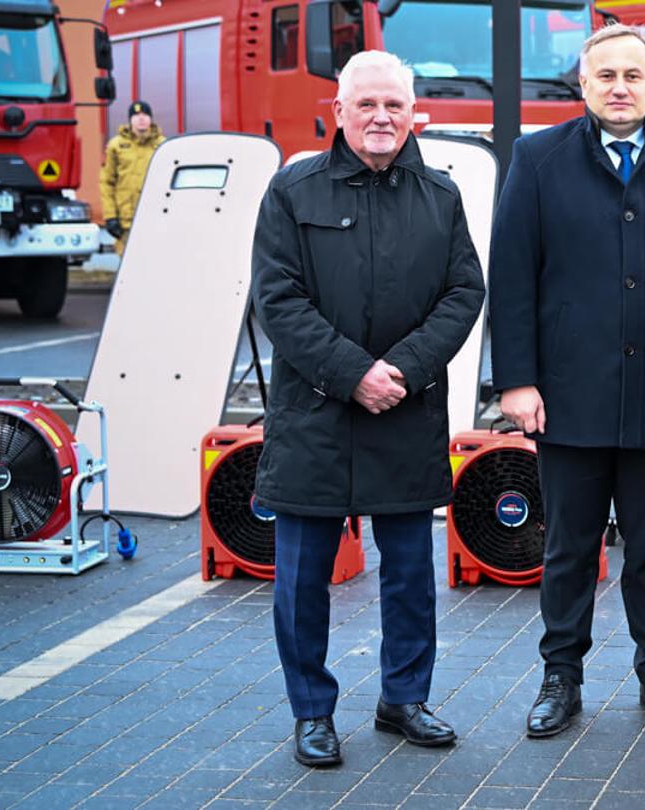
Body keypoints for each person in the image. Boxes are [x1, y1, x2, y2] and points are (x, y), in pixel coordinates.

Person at [488, 23, 645, 739]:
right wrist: (517, 381)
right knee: (567, 548)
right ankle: (561, 674)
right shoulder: (538, 159)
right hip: (568, 397)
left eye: (633, 76)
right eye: (605, 77)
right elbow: (512, 275)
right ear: (583, 86)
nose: (620, 88)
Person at [251, 50, 485, 768]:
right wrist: (353, 374)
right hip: (316, 417)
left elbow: (463, 294)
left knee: (411, 575)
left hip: (404, 414)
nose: (382, 117)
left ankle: (404, 699)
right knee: (302, 581)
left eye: (395, 105)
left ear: (416, 114)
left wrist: (404, 373)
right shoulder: (293, 192)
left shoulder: (440, 196)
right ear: (339, 113)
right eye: (367, 105)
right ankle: (312, 712)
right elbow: (277, 300)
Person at [100, 100, 163, 255]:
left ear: (151, 119)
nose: (141, 119)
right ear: (130, 120)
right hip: (126, 219)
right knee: (129, 262)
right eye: (136, 115)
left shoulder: (163, 145)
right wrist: (110, 216)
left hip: (156, 216)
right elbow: (107, 182)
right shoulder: (116, 145)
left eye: (145, 115)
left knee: (156, 259)